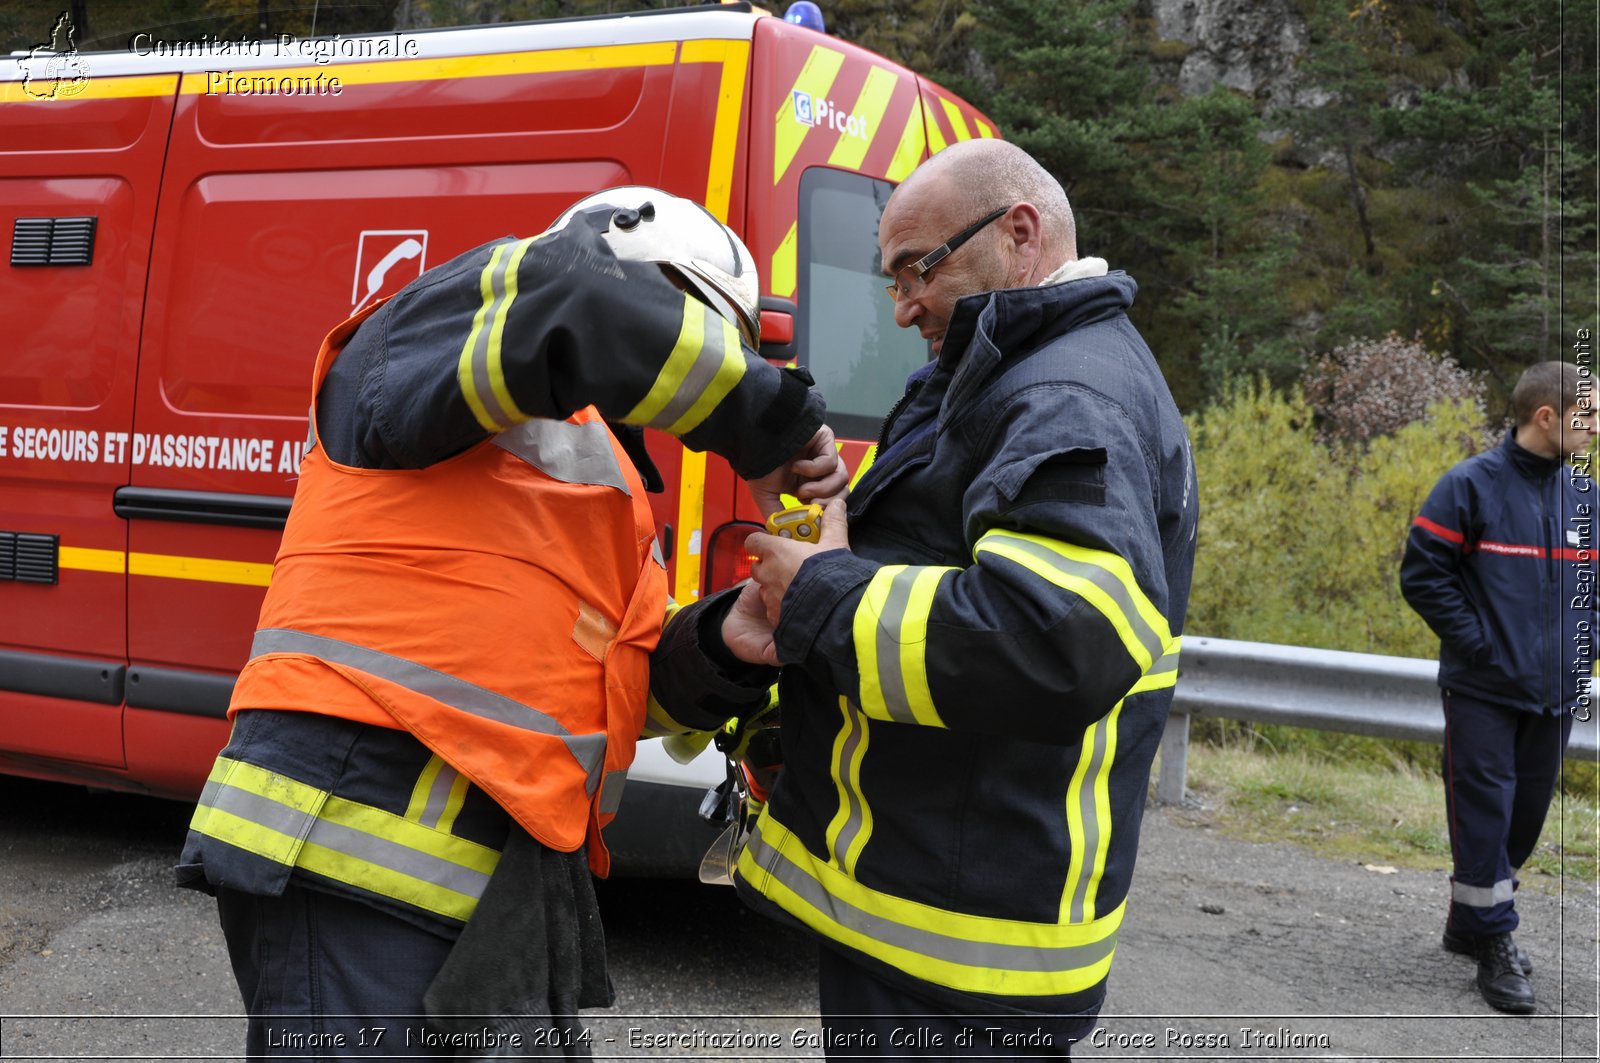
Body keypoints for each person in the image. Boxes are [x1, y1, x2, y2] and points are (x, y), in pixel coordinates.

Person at [175, 186, 845, 1057]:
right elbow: (579, 300)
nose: (699, 373)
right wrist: (769, 423)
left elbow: (619, 689)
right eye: (705, 336)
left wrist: (728, 639)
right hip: (345, 859)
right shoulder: (421, 345)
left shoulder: (604, 490)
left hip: (496, 895)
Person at [738, 139, 1198, 1056]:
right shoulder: (1003, 371)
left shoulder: (1067, 395)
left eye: (917, 268)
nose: (903, 305)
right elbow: (942, 555)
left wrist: (822, 596)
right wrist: (834, 505)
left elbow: (1050, 641)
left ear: (1019, 233)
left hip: (963, 942)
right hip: (937, 903)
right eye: (892, 280)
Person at [1400, 359, 1597, 1015]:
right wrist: (1480, 645)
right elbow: (1424, 575)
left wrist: (1584, 648)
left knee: (1524, 818)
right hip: (1483, 689)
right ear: (1547, 417)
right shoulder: (1470, 486)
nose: (1594, 427)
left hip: (1555, 693)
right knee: (1485, 812)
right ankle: (1495, 942)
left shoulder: (1584, 498)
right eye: (1586, 415)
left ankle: (1470, 920)